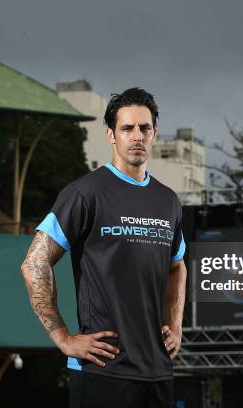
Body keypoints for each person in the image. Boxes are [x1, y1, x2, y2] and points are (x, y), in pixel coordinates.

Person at [20, 87, 187, 408]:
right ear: (111, 135)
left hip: (157, 372)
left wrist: (175, 326)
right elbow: (34, 264)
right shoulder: (84, 193)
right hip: (102, 372)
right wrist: (63, 338)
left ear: (154, 135)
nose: (137, 136)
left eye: (145, 128)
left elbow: (177, 264)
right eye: (127, 128)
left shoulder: (168, 201)